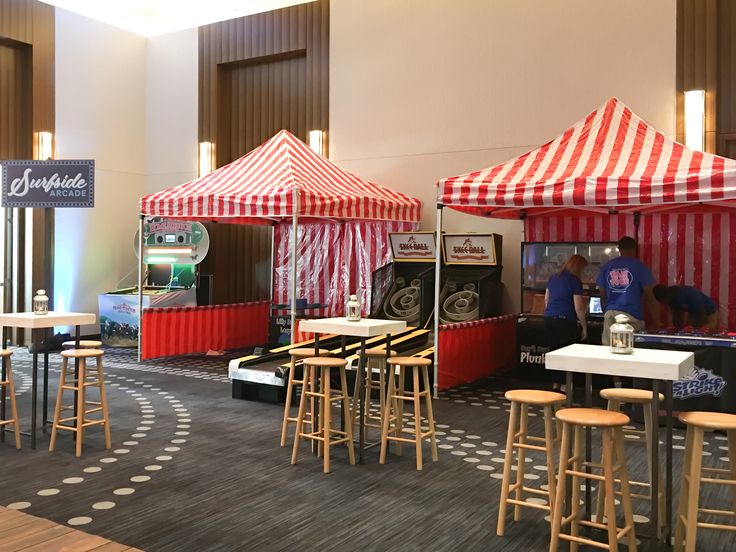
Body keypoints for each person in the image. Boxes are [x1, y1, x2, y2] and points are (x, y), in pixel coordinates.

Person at [597, 235, 661, 344]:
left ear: (619, 249)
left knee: (608, 353)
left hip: (610, 315)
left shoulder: (606, 267)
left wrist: (606, 312)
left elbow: (602, 296)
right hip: (632, 317)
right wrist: (657, 321)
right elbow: (649, 297)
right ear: (634, 249)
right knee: (627, 354)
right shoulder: (640, 267)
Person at [544, 254, 589, 392]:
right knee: (565, 352)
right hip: (565, 319)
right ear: (579, 267)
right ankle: (565, 386)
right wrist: (584, 326)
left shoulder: (553, 278)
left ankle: (555, 384)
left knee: (554, 351)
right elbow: (579, 307)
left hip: (549, 318)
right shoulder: (575, 281)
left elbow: (546, 300)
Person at [653, 284, 719, 329]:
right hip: (694, 311)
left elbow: (701, 312)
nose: (664, 303)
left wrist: (696, 328)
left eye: (663, 301)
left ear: (666, 296)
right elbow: (677, 316)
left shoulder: (689, 293)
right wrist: (678, 330)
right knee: (689, 330)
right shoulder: (670, 299)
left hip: (709, 311)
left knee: (706, 330)